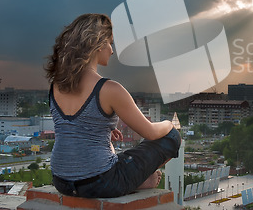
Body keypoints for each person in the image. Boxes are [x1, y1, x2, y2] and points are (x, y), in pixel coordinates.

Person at [45, 13, 181, 198]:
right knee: (172, 137)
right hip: (100, 183)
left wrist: (102, 128)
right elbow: (150, 132)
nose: (112, 50)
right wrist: (169, 124)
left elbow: (73, 127)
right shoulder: (109, 89)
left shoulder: (56, 85)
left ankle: (133, 180)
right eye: (110, 43)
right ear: (98, 44)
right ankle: (138, 179)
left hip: (62, 181)